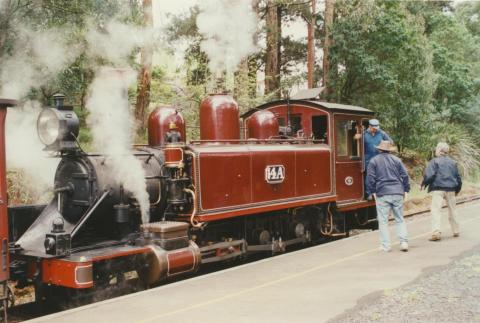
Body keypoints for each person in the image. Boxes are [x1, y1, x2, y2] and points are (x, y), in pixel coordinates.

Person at [367, 140, 410, 252]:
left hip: (382, 193)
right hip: (397, 192)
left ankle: (386, 246)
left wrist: (372, 191)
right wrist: (406, 190)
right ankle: (404, 242)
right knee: (399, 219)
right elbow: (405, 176)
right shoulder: (397, 160)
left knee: (383, 221)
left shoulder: (373, 161)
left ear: (379, 149)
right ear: (390, 150)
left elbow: (370, 178)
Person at [421, 142, 462, 241]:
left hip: (438, 188)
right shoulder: (453, 162)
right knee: (453, 210)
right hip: (451, 189)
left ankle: (436, 232)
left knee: (436, 210)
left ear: (439, 150)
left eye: (436, 149)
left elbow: (429, 175)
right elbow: (458, 177)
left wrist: (423, 184)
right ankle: (456, 230)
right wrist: (457, 189)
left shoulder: (434, 162)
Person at [362, 119, 393, 199]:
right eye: (374, 128)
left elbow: (391, 142)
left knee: (379, 176)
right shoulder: (364, 134)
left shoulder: (382, 133)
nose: (376, 129)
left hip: (379, 159)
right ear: (369, 126)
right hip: (368, 159)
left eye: (377, 128)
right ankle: (369, 193)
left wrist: (384, 145)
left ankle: (379, 192)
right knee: (369, 177)